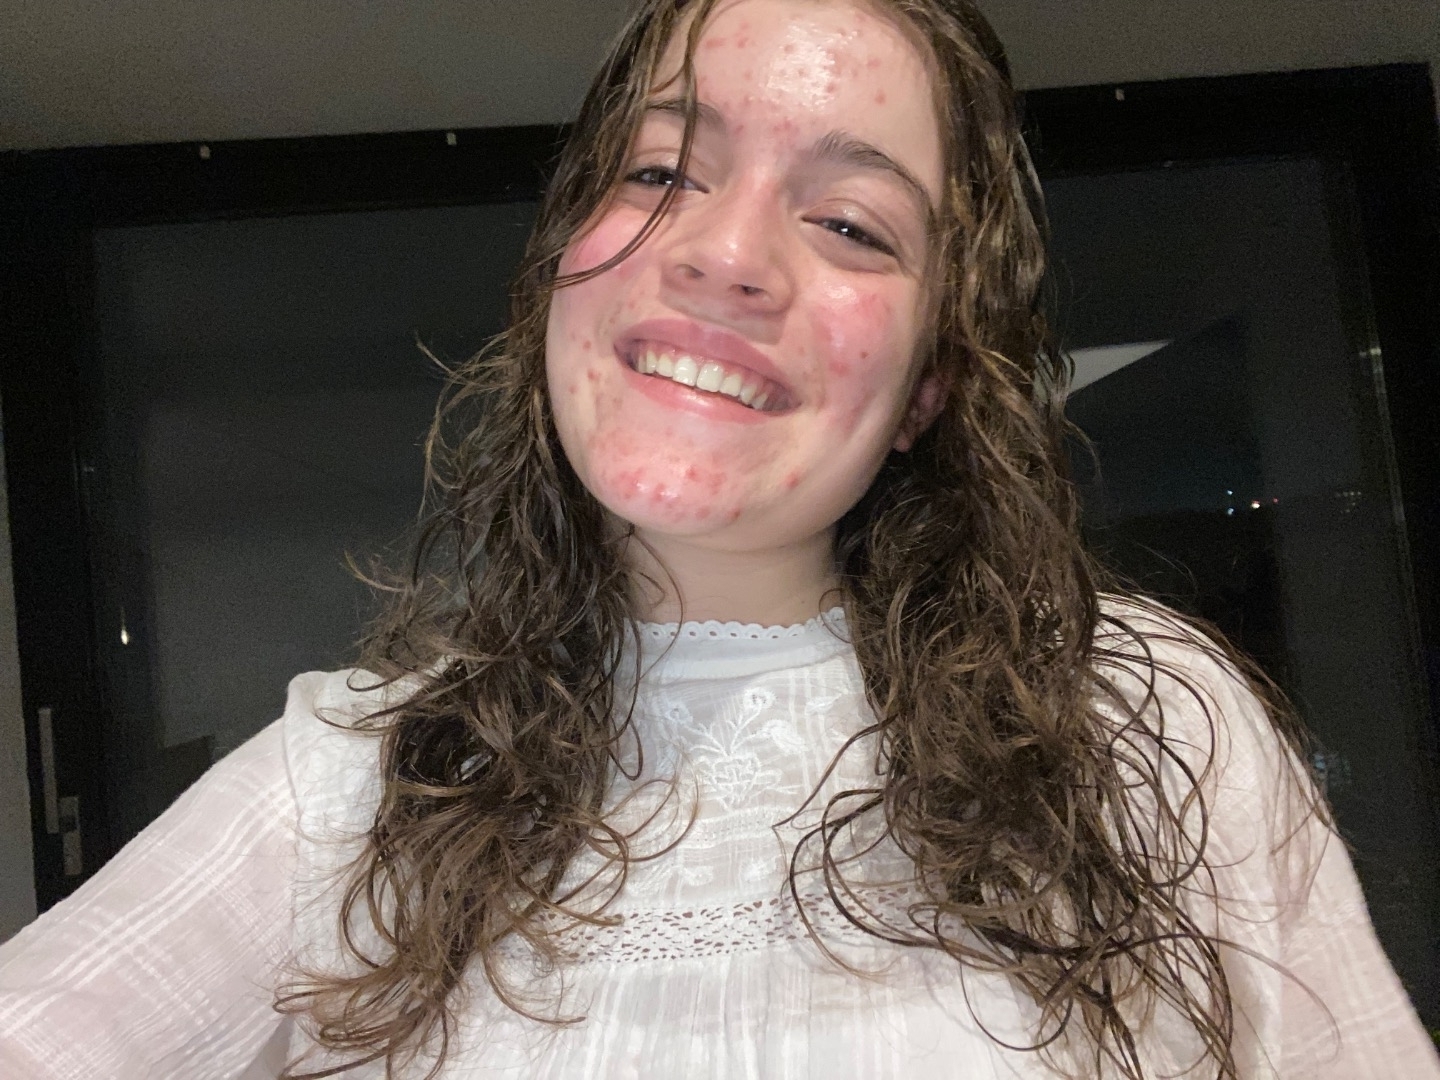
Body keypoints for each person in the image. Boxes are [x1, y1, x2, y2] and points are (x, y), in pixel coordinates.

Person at [2, 0, 1437, 1076]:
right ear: (560, 276)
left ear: (930, 384)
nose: (725, 253)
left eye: (854, 226)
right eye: (658, 174)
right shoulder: (352, 785)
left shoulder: (1143, 717)